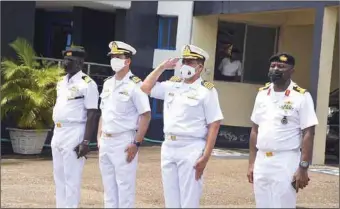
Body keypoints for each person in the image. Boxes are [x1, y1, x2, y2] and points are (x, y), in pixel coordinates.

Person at [140, 44, 224, 208]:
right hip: (169, 145)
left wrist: (205, 157)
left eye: (190, 62)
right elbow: (145, 87)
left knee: (189, 199)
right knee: (171, 198)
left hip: (191, 146)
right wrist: (161, 67)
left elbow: (214, 124)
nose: (185, 65)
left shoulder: (207, 91)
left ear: (200, 67)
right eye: (184, 61)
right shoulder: (173, 85)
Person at [247, 52, 319, 208]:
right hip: (262, 160)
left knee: (282, 205)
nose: (275, 69)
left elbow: (308, 133)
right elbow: (255, 130)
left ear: (291, 71)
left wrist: (303, 167)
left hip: (285, 160)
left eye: (281, 66)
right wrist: (251, 163)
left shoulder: (301, 96)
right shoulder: (262, 94)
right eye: (272, 66)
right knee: (262, 204)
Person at [97, 41, 151, 208]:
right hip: (106, 141)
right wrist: (99, 137)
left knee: (125, 189)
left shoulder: (135, 84)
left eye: (118, 57)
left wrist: (136, 143)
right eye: (112, 56)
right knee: (108, 190)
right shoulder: (107, 83)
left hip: (124, 141)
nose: (114, 59)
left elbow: (146, 115)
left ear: (127, 61)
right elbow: (103, 113)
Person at [51, 46, 99, 208]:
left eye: (69, 61)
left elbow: (92, 113)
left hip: (74, 132)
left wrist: (86, 141)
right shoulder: (61, 82)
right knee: (59, 177)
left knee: (71, 178)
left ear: (79, 63)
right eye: (65, 59)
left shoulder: (87, 83)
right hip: (58, 131)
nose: (65, 63)